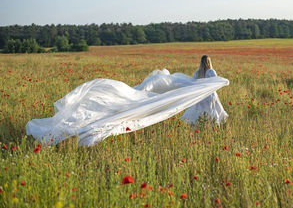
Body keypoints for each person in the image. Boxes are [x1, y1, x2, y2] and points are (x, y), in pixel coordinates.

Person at [26, 56, 229, 146]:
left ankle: (205, 127)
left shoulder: (199, 72)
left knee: (202, 117)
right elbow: (205, 83)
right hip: (206, 98)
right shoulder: (210, 71)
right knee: (208, 116)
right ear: (209, 63)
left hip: (202, 97)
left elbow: (194, 84)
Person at [181, 55, 228, 125]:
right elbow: (216, 82)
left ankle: (200, 125)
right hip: (210, 96)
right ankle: (211, 126)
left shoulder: (197, 73)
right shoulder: (211, 72)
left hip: (200, 96)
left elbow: (193, 83)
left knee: (200, 112)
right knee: (211, 112)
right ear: (209, 62)